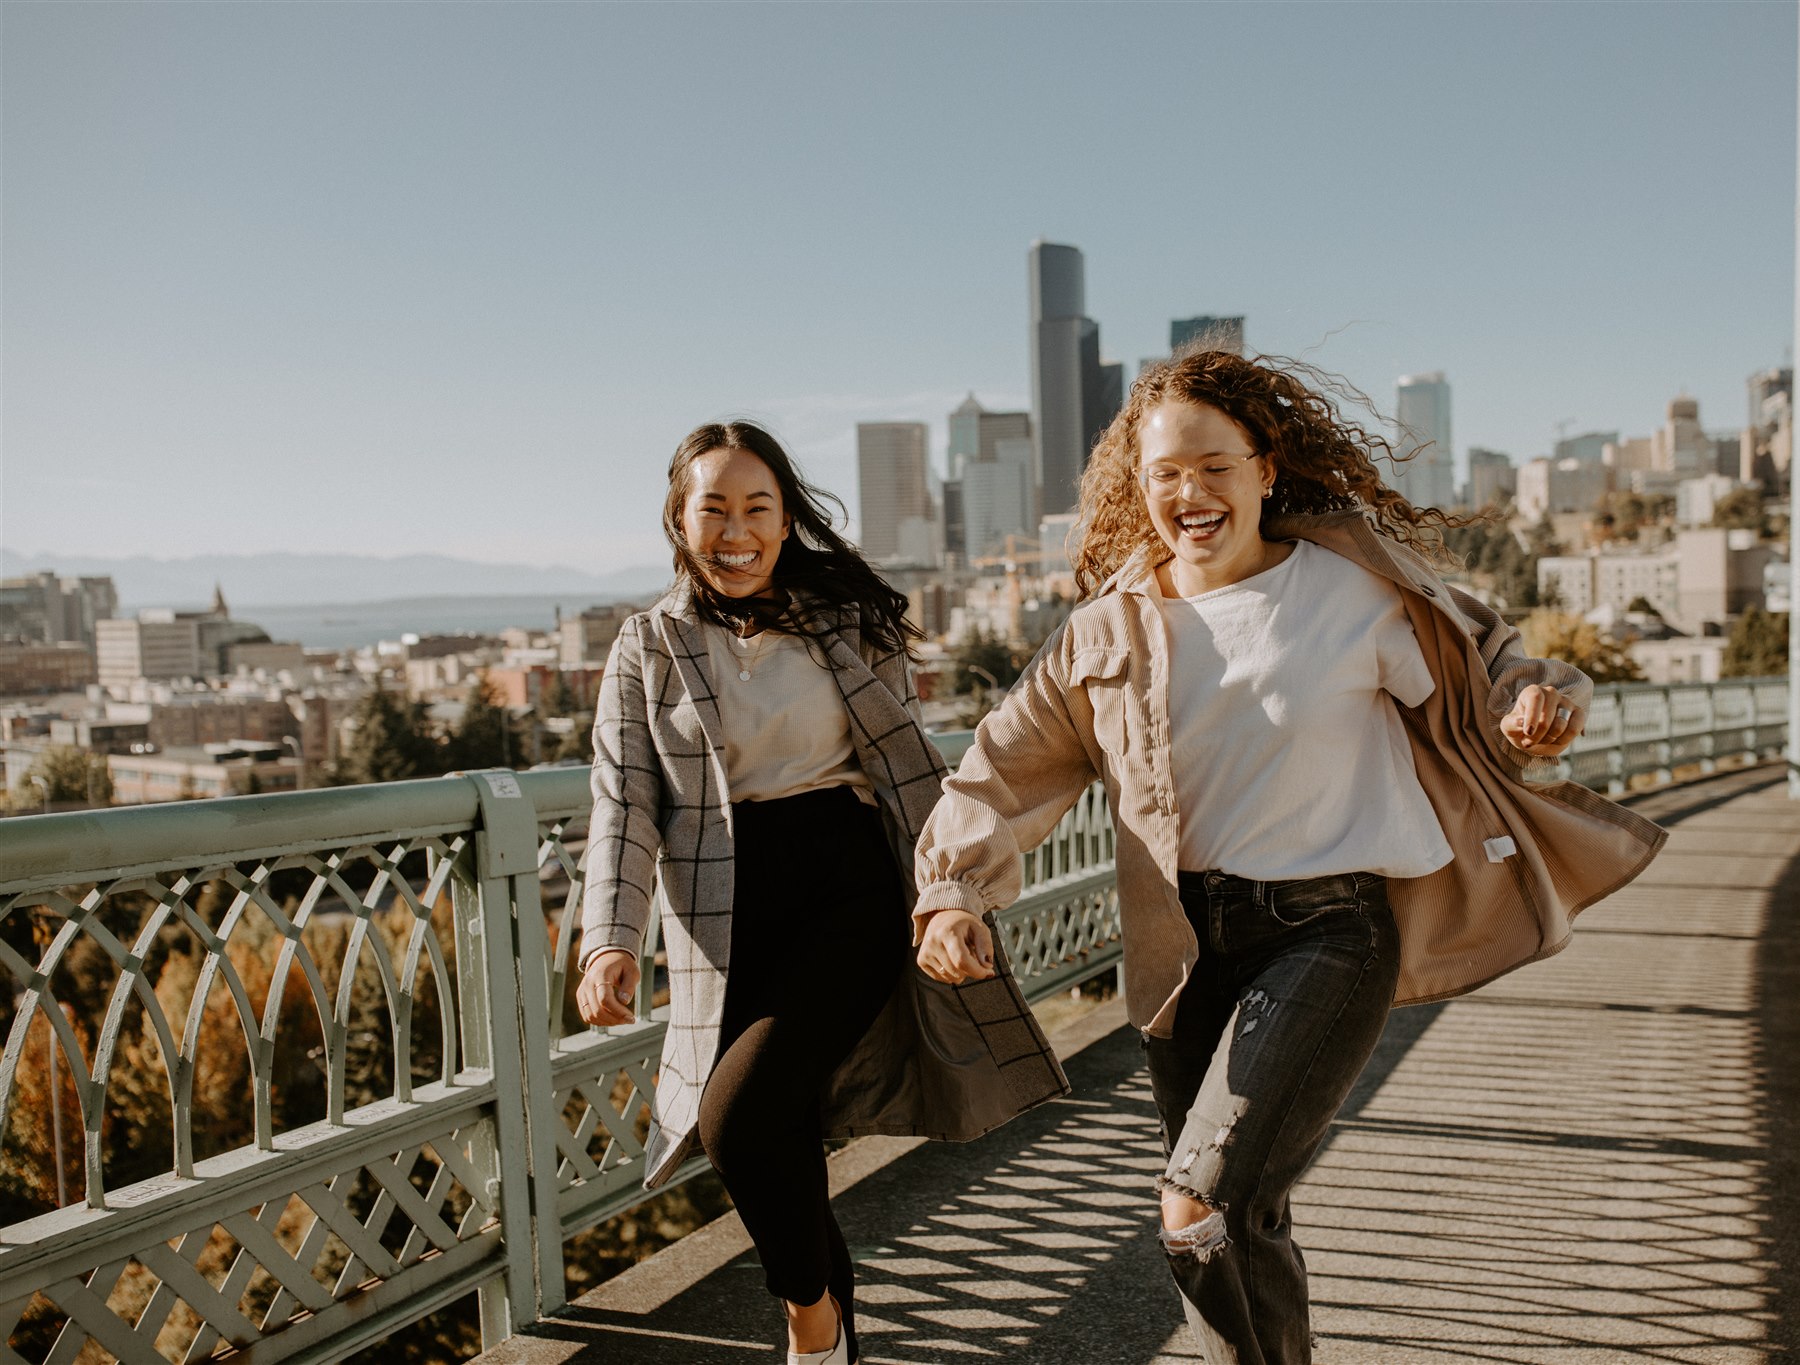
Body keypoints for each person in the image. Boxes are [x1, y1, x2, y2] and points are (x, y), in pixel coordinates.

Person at [912, 352, 1667, 1363]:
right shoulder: (1103, 634)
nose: (1189, 494)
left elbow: (1489, 665)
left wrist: (1532, 701)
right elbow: (999, 773)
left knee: (1195, 1200)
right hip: (1179, 952)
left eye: (1214, 466)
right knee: (1238, 1221)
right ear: (1137, 487)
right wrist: (954, 891)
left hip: (1326, 931)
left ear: (1266, 469)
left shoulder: (1354, 592)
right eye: (1165, 474)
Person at [575, 421, 1066, 1365]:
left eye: (758, 507)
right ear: (679, 519)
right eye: (712, 506)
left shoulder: (848, 621)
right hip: (722, 914)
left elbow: (916, 765)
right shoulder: (646, 646)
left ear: (787, 517)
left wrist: (951, 886)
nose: (736, 528)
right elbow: (623, 804)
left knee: (738, 1117)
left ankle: (810, 1326)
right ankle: (839, 1340)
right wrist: (610, 940)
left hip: (849, 887)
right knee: (783, 1128)